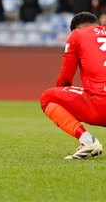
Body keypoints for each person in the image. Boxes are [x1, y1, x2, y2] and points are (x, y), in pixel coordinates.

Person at [40, 12, 106, 159]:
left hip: (101, 106)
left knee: (48, 98)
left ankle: (88, 141)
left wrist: (65, 101)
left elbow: (65, 80)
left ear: (75, 30)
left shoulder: (77, 35)